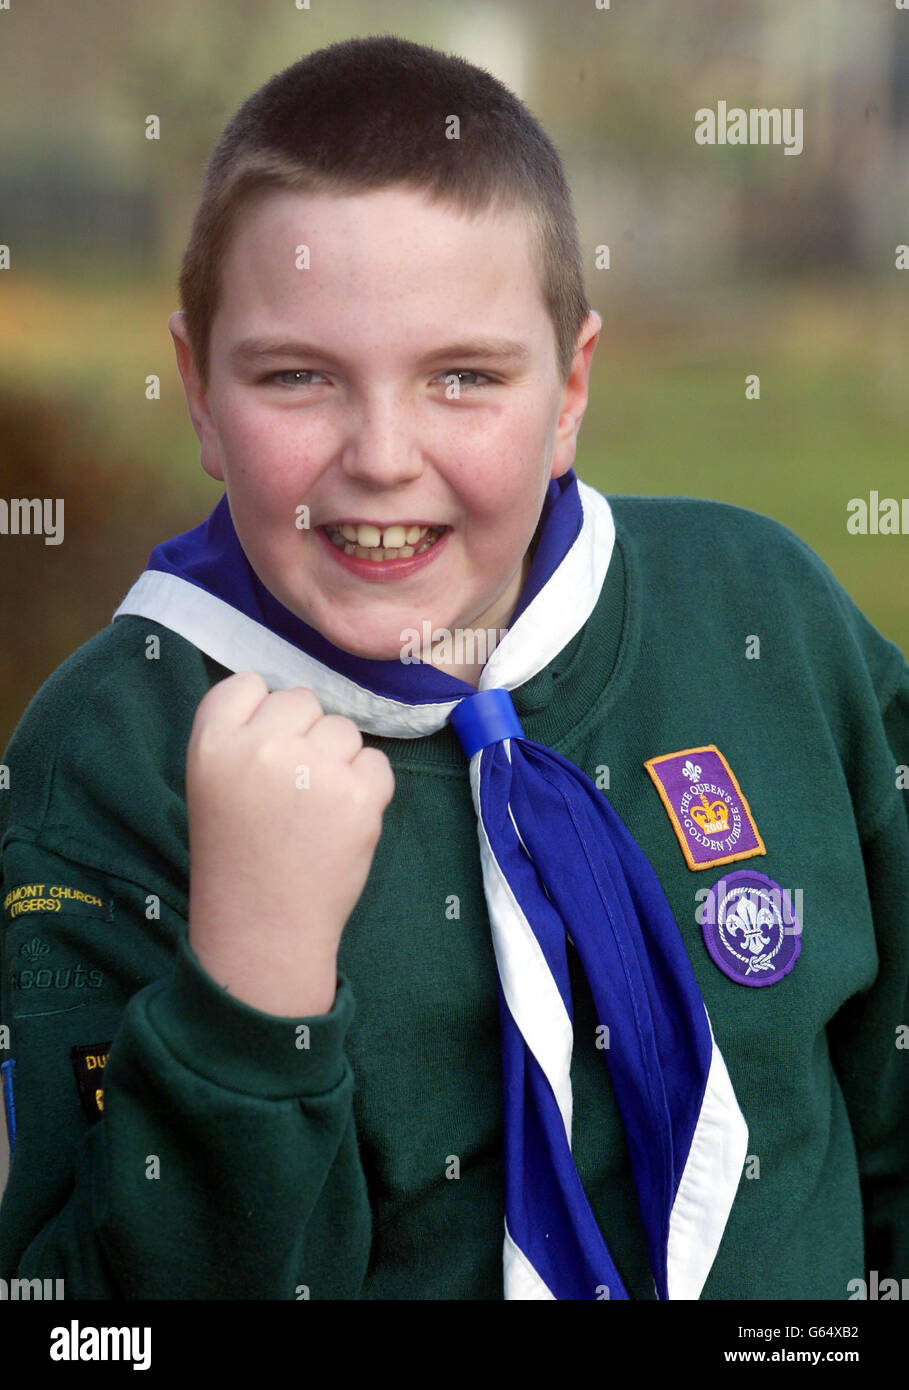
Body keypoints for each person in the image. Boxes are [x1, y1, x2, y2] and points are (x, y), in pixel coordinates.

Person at [0, 34, 906, 1301]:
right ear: (198, 391)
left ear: (573, 386)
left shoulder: (772, 620)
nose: (382, 455)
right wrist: (251, 991)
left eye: (463, 377)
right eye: (298, 376)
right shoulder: (107, 758)